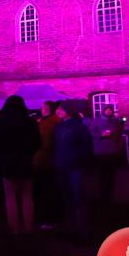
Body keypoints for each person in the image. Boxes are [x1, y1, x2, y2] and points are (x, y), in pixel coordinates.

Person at [0, 95, 41, 235]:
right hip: (25, 162)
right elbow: (37, 142)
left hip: (8, 164)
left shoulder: (1, 123)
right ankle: (28, 226)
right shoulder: (30, 122)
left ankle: (14, 228)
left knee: (10, 198)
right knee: (27, 196)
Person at [53, 101, 94, 240]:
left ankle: (82, 230)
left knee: (78, 198)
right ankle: (69, 228)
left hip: (75, 168)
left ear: (68, 111)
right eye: (57, 109)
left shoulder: (78, 127)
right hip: (62, 167)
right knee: (66, 198)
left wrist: (77, 160)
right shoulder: (59, 127)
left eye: (60, 109)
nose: (57, 111)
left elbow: (86, 147)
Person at [33, 100, 61, 229]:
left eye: (44, 107)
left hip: (44, 161)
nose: (42, 109)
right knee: (51, 191)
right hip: (52, 160)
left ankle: (47, 219)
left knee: (45, 191)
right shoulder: (54, 122)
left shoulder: (47, 123)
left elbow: (43, 144)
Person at [89, 104, 124, 204]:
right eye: (107, 110)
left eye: (110, 110)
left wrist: (115, 132)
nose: (108, 111)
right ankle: (102, 193)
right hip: (100, 150)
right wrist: (101, 134)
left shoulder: (115, 121)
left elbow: (119, 132)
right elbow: (91, 133)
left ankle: (110, 193)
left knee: (111, 173)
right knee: (102, 173)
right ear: (103, 111)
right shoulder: (96, 120)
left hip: (112, 150)